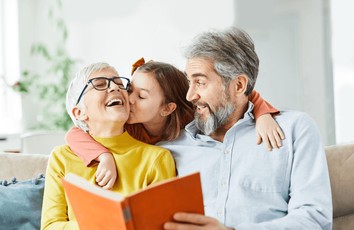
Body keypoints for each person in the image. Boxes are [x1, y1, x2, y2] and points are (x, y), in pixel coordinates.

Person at [159, 26, 332, 230]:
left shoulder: (294, 130)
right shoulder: (169, 147)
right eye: (189, 82)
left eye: (200, 83)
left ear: (239, 85)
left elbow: (314, 225)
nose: (190, 96)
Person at [66, 59, 284, 190]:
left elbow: (235, 94)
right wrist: (104, 156)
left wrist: (263, 113)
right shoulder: (128, 126)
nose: (128, 98)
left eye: (141, 97)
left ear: (167, 108)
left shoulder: (191, 122)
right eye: (130, 89)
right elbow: (75, 133)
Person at [35, 62, 176, 230]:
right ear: (79, 113)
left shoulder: (156, 158)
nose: (114, 87)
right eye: (100, 84)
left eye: (119, 83)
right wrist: (106, 225)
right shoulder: (62, 157)